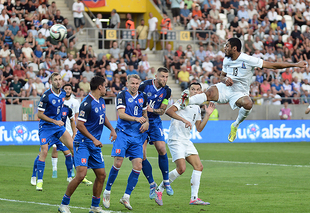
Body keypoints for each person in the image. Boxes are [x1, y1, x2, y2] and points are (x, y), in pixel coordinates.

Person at [181, 38, 307, 142]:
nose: (225, 48)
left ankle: (235, 125)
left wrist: (295, 65)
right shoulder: (226, 59)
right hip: (225, 88)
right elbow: (222, 76)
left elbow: (273, 65)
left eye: (227, 46)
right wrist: (225, 80)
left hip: (239, 93)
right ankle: (186, 101)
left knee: (248, 103)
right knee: (208, 93)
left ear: (234, 48)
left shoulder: (248, 60)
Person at [58, 76, 117, 213]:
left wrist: (112, 129)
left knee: (101, 175)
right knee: (81, 174)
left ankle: (95, 207)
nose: (107, 88)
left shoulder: (101, 100)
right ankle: (64, 204)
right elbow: (80, 125)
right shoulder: (87, 103)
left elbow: (103, 116)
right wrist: (94, 139)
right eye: (105, 85)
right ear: (100, 87)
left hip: (94, 145)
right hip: (83, 143)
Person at [156, 83, 215, 206]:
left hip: (186, 140)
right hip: (176, 139)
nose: (195, 91)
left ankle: (194, 198)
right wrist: (183, 120)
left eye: (198, 90)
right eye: (192, 89)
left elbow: (199, 128)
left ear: (200, 92)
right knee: (181, 169)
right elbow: (169, 111)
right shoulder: (184, 100)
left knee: (199, 166)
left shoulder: (198, 108)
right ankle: (159, 189)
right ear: (189, 90)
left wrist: (208, 114)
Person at [102, 74, 149, 210]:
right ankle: (107, 192)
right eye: (132, 83)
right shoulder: (122, 95)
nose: (134, 86)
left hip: (136, 136)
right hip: (122, 133)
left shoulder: (143, 97)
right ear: (127, 83)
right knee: (118, 162)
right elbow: (121, 114)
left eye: (136, 83)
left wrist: (146, 123)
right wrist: (136, 119)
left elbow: (145, 116)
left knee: (138, 166)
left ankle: (126, 197)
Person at [138, 67, 173, 205]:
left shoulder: (167, 91)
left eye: (167, 77)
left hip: (155, 121)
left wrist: (153, 110)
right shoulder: (144, 86)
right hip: (141, 121)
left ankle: (166, 182)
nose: (165, 79)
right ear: (156, 76)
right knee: (141, 156)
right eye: (162, 76)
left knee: (162, 149)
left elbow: (163, 110)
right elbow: (137, 103)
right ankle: (152, 185)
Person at [35, 73, 74, 191]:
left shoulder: (63, 93)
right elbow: (39, 114)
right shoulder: (46, 96)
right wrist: (54, 121)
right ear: (51, 82)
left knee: (73, 147)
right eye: (55, 80)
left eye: (59, 80)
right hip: (46, 127)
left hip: (58, 126)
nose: (58, 82)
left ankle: (80, 175)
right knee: (45, 151)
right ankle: (39, 181)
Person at [31, 103, 75, 186]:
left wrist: (74, 132)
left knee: (68, 153)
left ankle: (70, 177)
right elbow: (41, 117)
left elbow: (72, 120)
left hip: (60, 133)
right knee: (42, 153)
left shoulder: (67, 108)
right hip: (50, 134)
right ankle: (34, 176)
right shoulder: (49, 107)